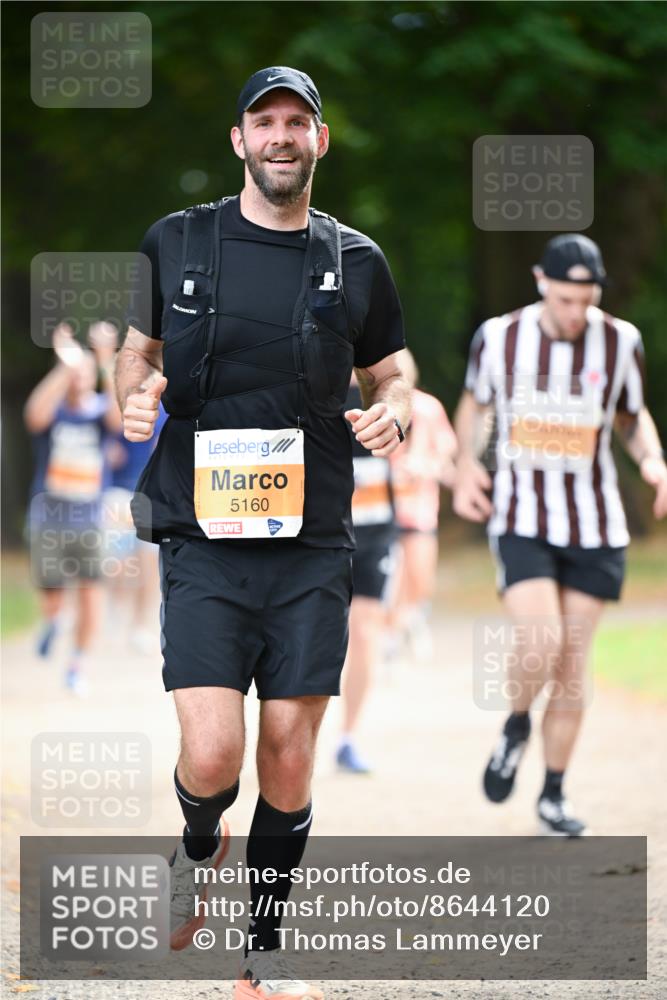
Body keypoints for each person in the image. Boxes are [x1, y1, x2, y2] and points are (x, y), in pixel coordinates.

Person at [114, 66, 411, 998]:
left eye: (298, 123)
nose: (281, 137)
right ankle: (198, 845)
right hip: (203, 535)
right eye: (264, 122)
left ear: (320, 141)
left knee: (288, 745)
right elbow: (141, 348)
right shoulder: (177, 240)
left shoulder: (355, 259)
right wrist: (136, 390)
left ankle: (263, 952)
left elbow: (394, 369)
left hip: (313, 538)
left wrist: (394, 409)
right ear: (239, 140)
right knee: (212, 754)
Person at [454, 233, 667, 836]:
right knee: (542, 639)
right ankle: (517, 722)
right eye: (566, 299)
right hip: (523, 517)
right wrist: (468, 464)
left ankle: (552, 794)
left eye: (587, 300)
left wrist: (653, 460)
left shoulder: (620, 341)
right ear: (541, 281)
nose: (577, 313)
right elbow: (475, 404)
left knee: (573, 664)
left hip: (596, 523)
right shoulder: (500, 337)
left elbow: (631, 416)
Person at [24, 321, 121, 694]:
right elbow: (34, 414)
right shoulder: (55, 411)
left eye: (83, 374)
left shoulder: (99, 411)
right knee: (51, 590)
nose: (78, 378)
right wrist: (65, 364)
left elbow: (117, 418)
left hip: (89, 518)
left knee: (91, 592)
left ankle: (77, 663)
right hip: (49, 515)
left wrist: (104, 361)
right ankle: (53, 622)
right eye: (72, 373)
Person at [336, 372, 399, 774]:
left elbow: (401, 373)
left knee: (363, 633)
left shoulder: (385, 390)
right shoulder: (305, 383)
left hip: (374, 535)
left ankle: (348, 736)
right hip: (324, 540)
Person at [386, 349, 457, 661]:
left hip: (419, 509)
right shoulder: (374, 408)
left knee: (420, 578)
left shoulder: (428, 409)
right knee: (388, 578)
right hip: (383, 510)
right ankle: (387, 637)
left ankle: (409, 620)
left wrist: (425, 466)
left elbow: (445, 454)